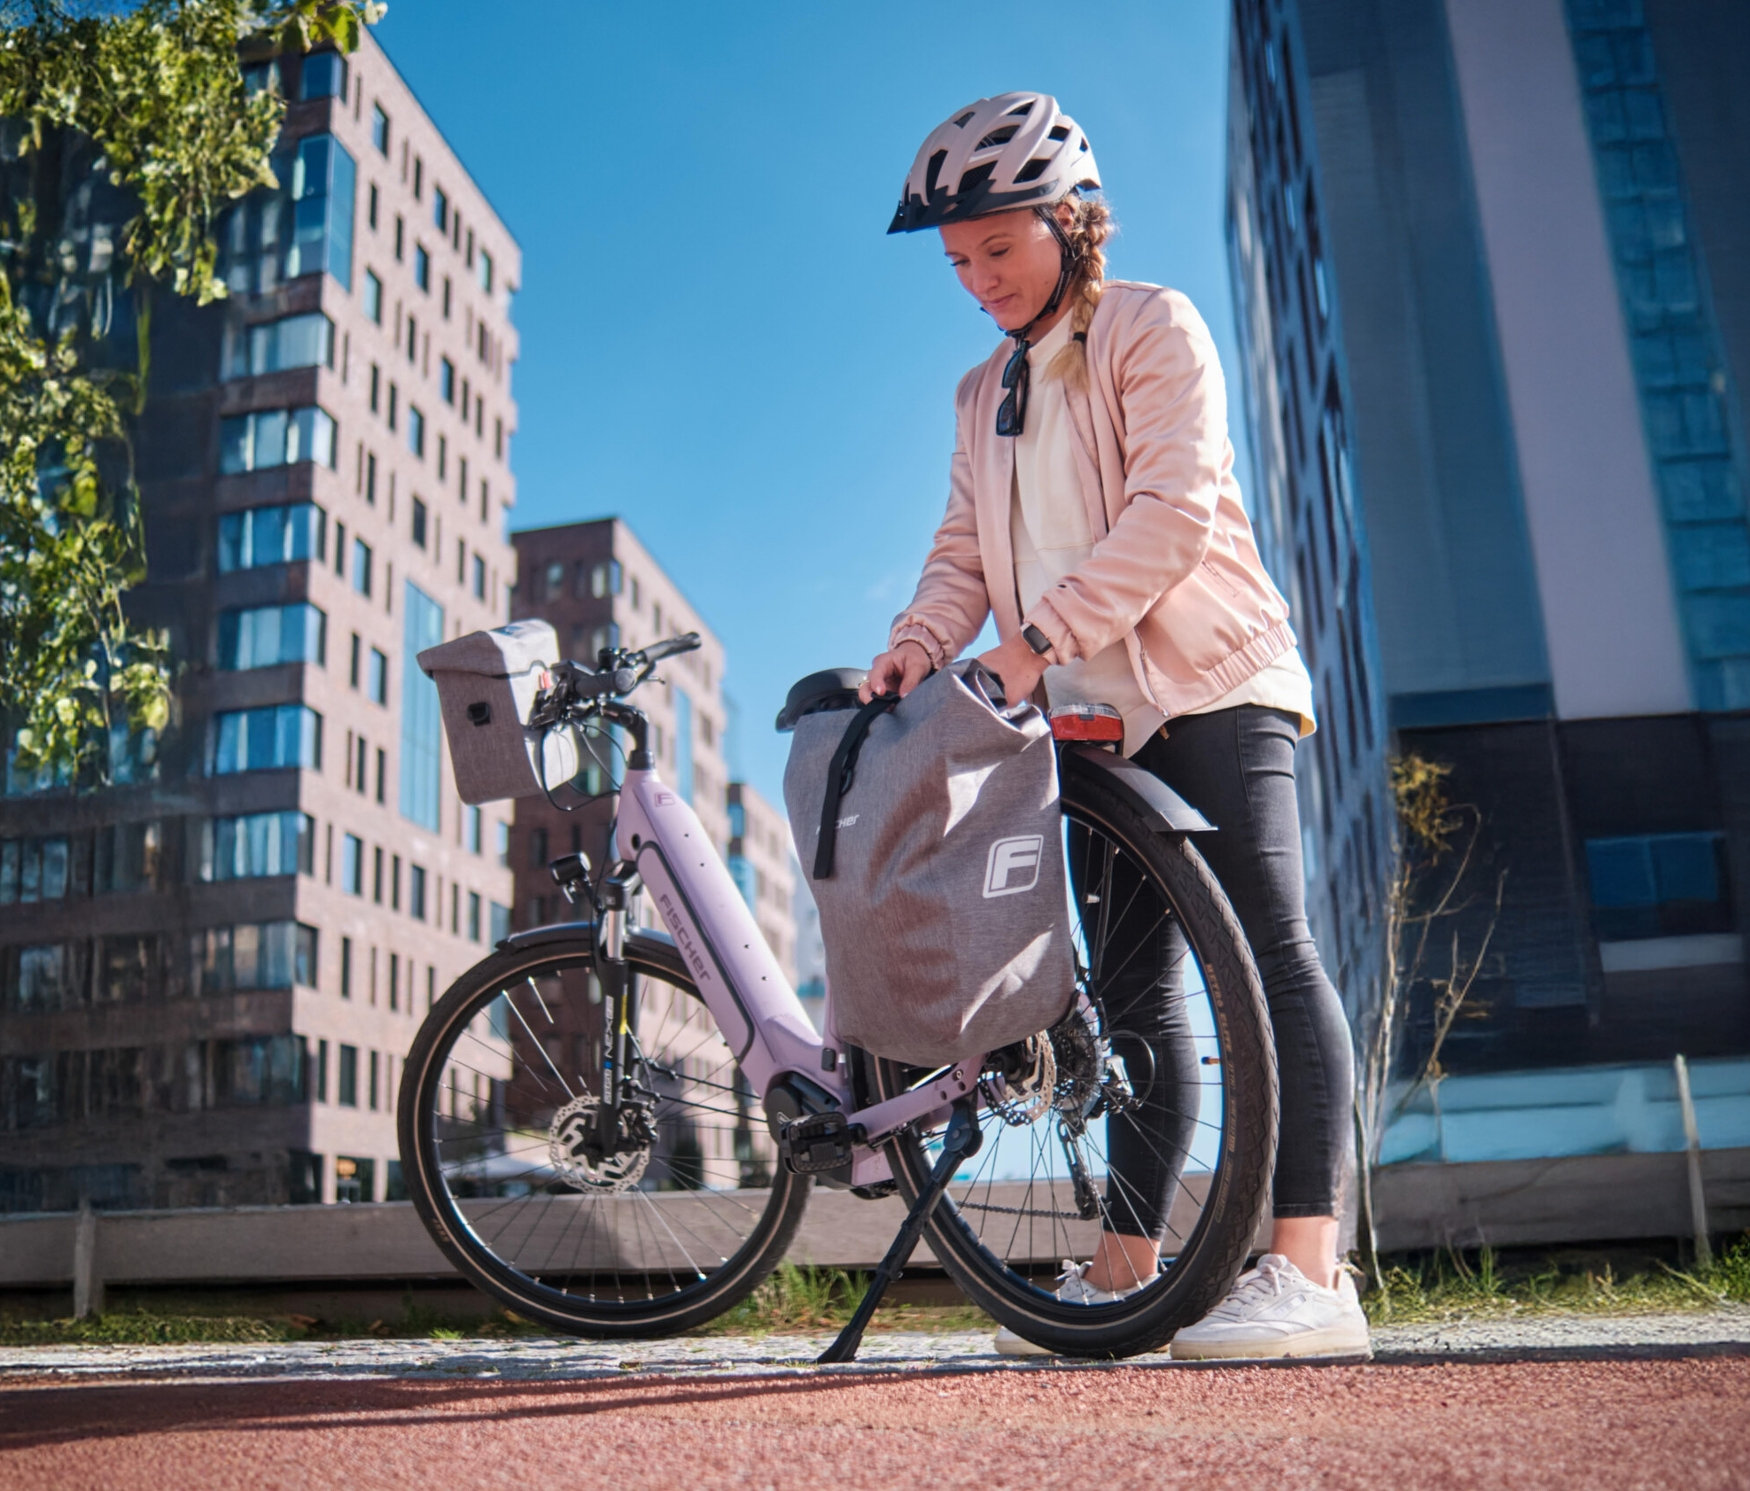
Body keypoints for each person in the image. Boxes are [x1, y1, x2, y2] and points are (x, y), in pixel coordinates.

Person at [862, 92, 1368, 1361]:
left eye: (998, 249)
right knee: (1132, 993)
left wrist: (1031, 646)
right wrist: (923, 641)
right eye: (958, 261)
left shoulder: (1149, 326)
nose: (977, 280)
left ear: (1068, 220)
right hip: (1086, 725)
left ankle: (1309, 1273)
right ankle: (1129, 1274)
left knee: (1268, 953)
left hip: (1211, 686)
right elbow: (962, 550)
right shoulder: (983, 392)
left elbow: (1173, 508)